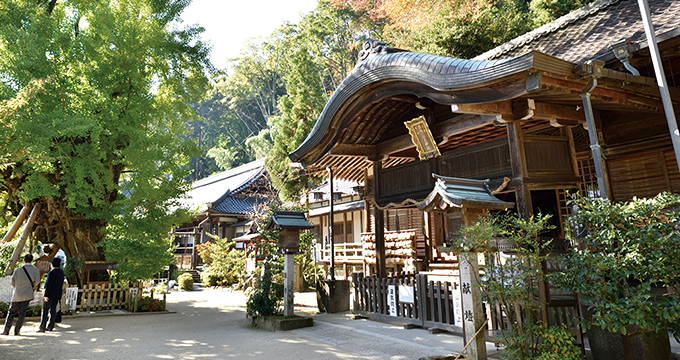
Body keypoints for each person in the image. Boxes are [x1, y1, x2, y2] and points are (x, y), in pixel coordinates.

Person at [2, 254, 40, 336]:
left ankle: (6, 331)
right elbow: (37, 282)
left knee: (11, 312)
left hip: (17, 294)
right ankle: (17, 331)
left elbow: (12, 282)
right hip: (27, 294)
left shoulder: (17, 270)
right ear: (32, 260)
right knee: (22, 313)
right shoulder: (35, 270)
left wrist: (18, 287)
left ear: (24, 260)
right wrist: (30, 287)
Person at [38, 257, 65, 333]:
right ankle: (50, 326)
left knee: (45, 310)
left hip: (50, 295)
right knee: (53, 310)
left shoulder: (51, 273)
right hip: (57, 295)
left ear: (52, 264)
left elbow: (48, 285)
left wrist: (46, 295)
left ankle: (42, 327)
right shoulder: (61, 273)